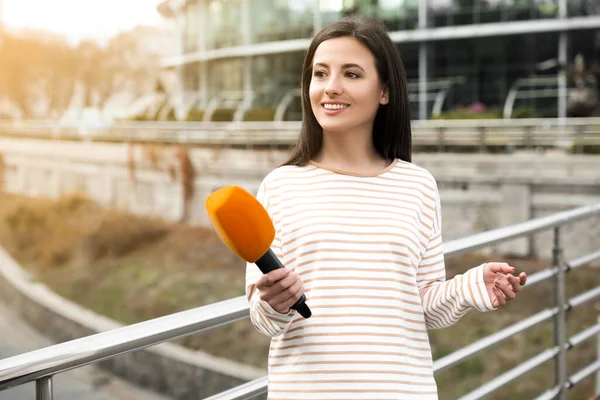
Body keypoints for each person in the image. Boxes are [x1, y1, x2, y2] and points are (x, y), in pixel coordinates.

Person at [245, 15, 527, 399]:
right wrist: (275, 304)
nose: (331, 88)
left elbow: (425, 308)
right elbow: (263, 321)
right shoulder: (279, 186)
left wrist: (468, 287)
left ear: (385, 91)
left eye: (352, 74)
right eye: (320, 73)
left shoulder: (417, 185)